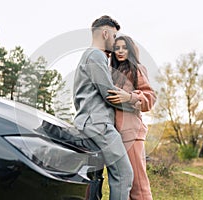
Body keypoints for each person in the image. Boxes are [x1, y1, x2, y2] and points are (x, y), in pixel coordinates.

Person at [73, 16, 134, 200]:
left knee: (99, 177)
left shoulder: (91, 56)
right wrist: (134, 103)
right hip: (98, 124)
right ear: (105, 33)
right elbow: (108, 93)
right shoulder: (95, 54)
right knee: (124, 174)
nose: (116, 43)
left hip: (92, 122)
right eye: (114, 37)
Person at [107, 35, 156, 200]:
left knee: (138, 185)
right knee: (124, 183)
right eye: (117, 48)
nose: (120, 51)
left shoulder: (137, 69)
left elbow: (150, 98)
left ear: (131, 49)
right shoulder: (111, 72)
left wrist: (129, 97)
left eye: (124, 47)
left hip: (131, 132)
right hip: (114, 134)